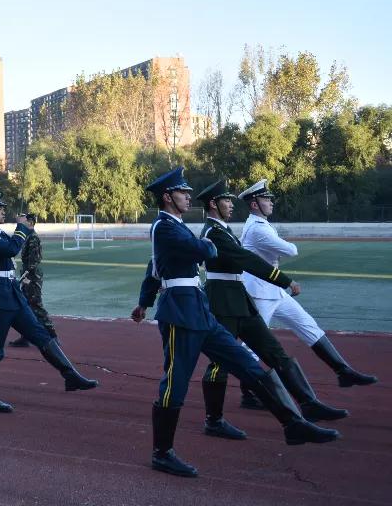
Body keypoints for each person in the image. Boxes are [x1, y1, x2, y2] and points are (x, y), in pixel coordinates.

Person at [132, 168, 338, 478]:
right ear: (167, 197)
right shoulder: (164, 226)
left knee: (246, 363)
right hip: (179, 314)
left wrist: (143, 302)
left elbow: (154, 267)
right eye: (182, 192)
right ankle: (162, 453)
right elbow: (203, 250)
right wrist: (204, 250)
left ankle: (293, 424)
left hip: (199, 309)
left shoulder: (175, 226)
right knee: (175, 382)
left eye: (188, 192)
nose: (189, 196)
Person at [195, 179, 346, 442]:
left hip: (240, 301)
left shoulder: (223, 229)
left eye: (230, 200)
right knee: (220, 365)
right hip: (223, 304)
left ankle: (308, 404)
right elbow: (247, 260)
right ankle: (214, 420)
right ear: (213, 204)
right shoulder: (213, 232)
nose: (231, 205)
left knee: (276, 353)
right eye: (226, 201)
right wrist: (285, 280)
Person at [237, 179, 377, 406]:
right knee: (255, 344)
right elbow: (291, 250)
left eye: (270, 198)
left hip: (273, 289)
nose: (271, 202)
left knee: (307, 324)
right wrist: (282, 246)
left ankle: (343, 371)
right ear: (254, 204)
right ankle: (248, 393)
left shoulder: (260, 224)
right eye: (266, 199)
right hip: (260, 292)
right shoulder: (257, 229)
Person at [0, 193, 96, 413]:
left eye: (3, 207)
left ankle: (71, 376)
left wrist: (22, 230)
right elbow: (12, 249)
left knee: (40, 334)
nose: (3, 210)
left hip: (11, 293)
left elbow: (11, 246)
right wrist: (22, 228)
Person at [8, 215, 56, 347]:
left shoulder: (33, 237)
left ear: (30, 222)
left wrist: (26, 276)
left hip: (32, 276)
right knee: (26, 307)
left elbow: (34, 260)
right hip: (27, 274)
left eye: (23, 220)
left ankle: (53, 336)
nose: (20, 221)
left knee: (36, 306)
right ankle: (26, 337)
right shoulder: (28, 236)